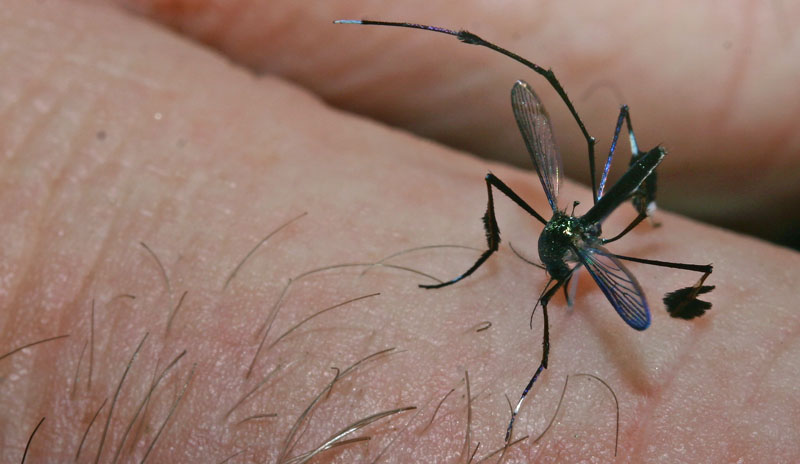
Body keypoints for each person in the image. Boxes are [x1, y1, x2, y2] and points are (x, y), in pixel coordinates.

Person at [1, 1, 798, 462]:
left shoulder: (586, 248)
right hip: (585, 218)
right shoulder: (558, 222)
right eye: (557, 261)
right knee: (511, 178)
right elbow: (530, 185)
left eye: (558, 263)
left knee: (643, 244)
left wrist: (612, 274)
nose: (550, 269)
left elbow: (616, 298)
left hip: (602, 222)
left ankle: (656, 213)